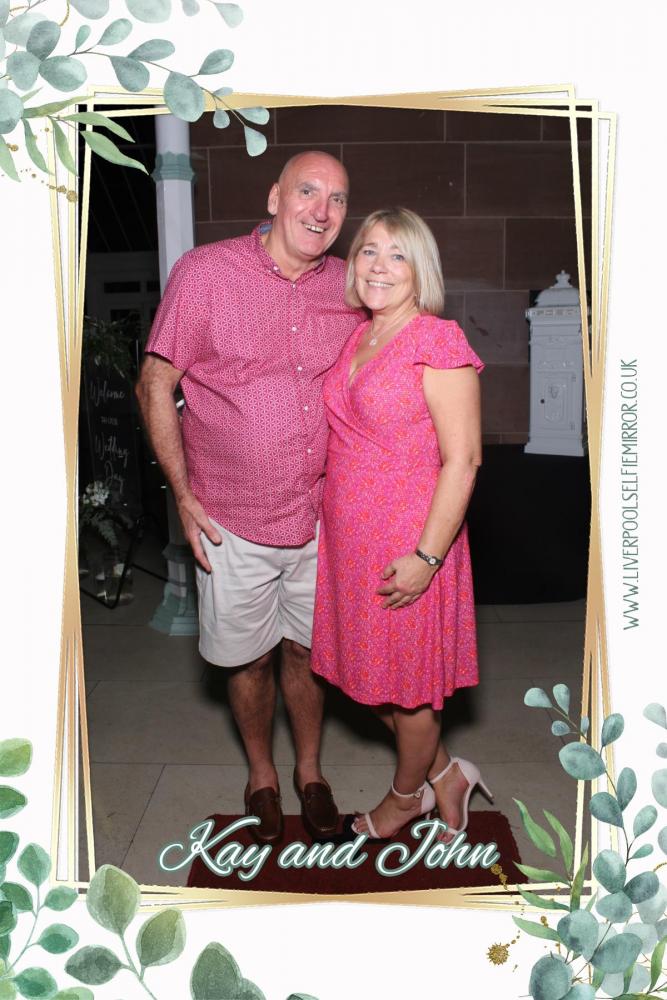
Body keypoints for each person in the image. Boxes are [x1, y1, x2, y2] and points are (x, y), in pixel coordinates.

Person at [135, 151, 361, 844]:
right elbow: (155, 383)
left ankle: (310, 772)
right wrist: (182, 495)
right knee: (249, 658)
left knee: (306, 653)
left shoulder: (350, 285)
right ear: (273, 197)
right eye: (307, 191)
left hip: (320, 515)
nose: (321, 211)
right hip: (229, 518)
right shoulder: (205, 274)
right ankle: (261, 774)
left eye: (337, 199)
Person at [311, 207, 491, 841]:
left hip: (410, 542)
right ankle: (448, 775)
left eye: (397, 255)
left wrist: (427, 558)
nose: (379, 266)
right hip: (349, 544)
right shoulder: (359, 337)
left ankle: (403, 800)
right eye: (368, 251)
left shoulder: (436, 341)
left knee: (409, 690)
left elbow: (463, 461)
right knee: (365, 680)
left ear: (421, 271)